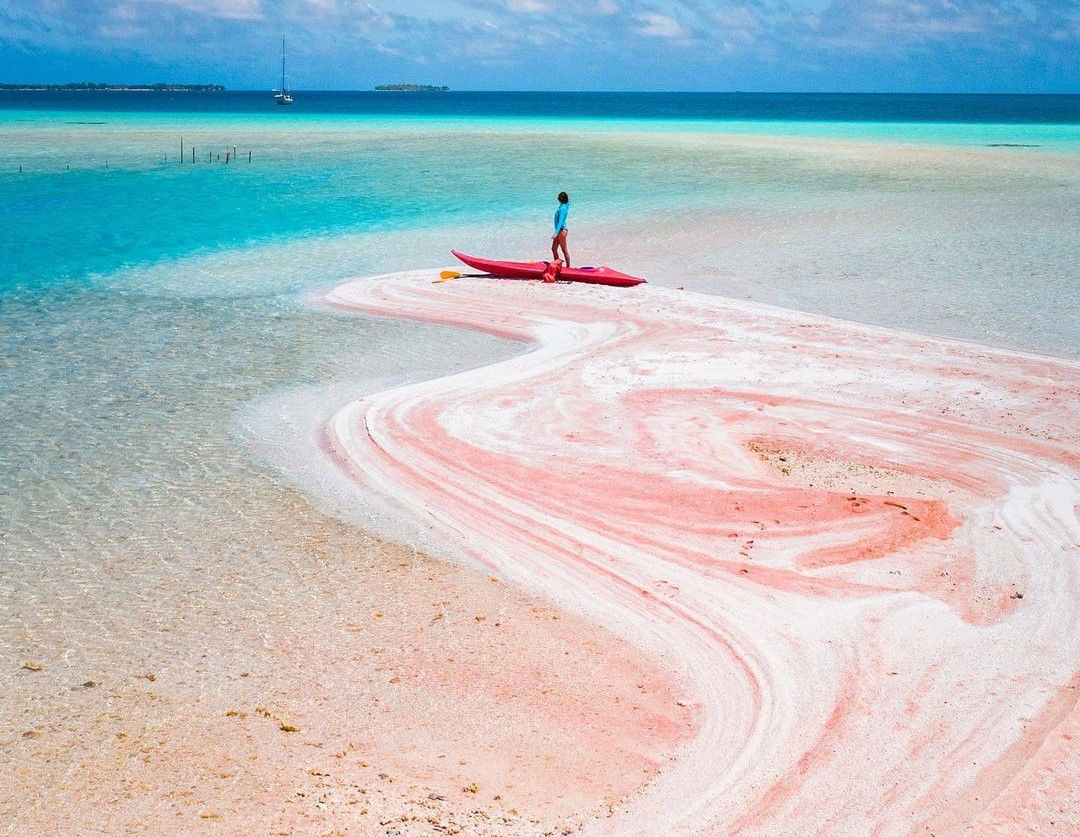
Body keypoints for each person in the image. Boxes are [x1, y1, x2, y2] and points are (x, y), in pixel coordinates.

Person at [551, 191, 570, 268]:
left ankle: (568, 268)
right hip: (560, 230)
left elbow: (561, 221)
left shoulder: (563, 208)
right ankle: (558, 266)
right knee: (553, 249)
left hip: (561, 231)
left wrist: (556, 232)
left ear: (560, 199)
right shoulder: (564, 206)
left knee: (564, 250)